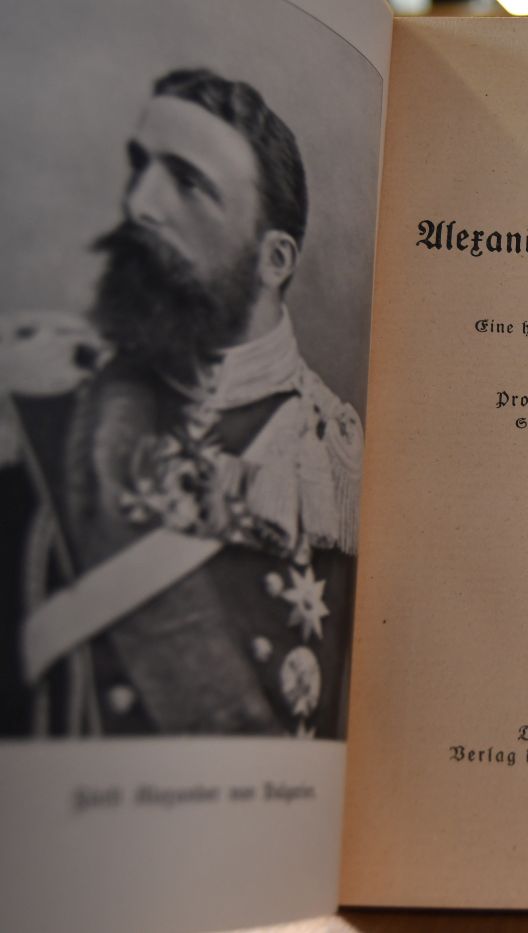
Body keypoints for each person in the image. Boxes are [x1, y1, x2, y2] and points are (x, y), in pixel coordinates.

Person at [0, 68, 361, 738]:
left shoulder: (327, 460)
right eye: (140, 166)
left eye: (189, 183)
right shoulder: (44, 400)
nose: (140, 204)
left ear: (275, 259)